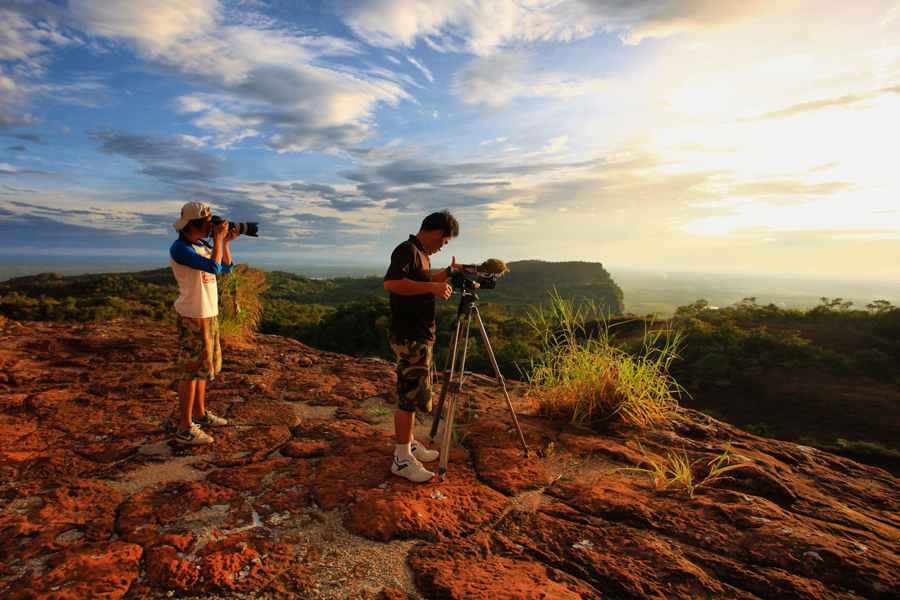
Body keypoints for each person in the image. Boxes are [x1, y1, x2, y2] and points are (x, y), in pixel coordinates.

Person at [383, 210, 461, 482]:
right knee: (409, 395)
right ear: (439, 233)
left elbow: (424, 282)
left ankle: (409, 442)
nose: (442, 247)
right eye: (445, 242)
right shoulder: (407, 250)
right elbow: (391, 283)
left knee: (415, 394)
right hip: (409, 335)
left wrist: (448, 274)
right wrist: (432, 289)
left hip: (419, 334)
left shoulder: (421, 254)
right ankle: (402, 459)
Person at [169, 201, 239, 445]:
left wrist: (225, 242)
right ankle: (185, 427)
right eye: (208, 223)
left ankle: (199, 414)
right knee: (190, 372)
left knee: (201, 369)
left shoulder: (200, 246)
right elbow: (212, 266)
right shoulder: (180, 248)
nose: (212, 227)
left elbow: (226, 269)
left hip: (208, 313)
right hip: (193, 315)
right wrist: (218, 241)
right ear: (193, 224)